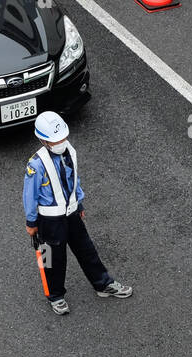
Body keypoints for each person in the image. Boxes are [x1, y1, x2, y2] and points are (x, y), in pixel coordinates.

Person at [23, 111, 131, 315]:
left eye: (63, 137)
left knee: (87, 250)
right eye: (56, 140)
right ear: (43, 140)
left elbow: (74, 181)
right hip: (49, 221)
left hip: (71, 213)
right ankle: (55, 296)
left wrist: (78, 204)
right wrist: (31, 222)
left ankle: (103, 284)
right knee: (52, 259)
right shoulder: (36, 165)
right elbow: (30, 196)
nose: (61, 142)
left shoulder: (69, 151)